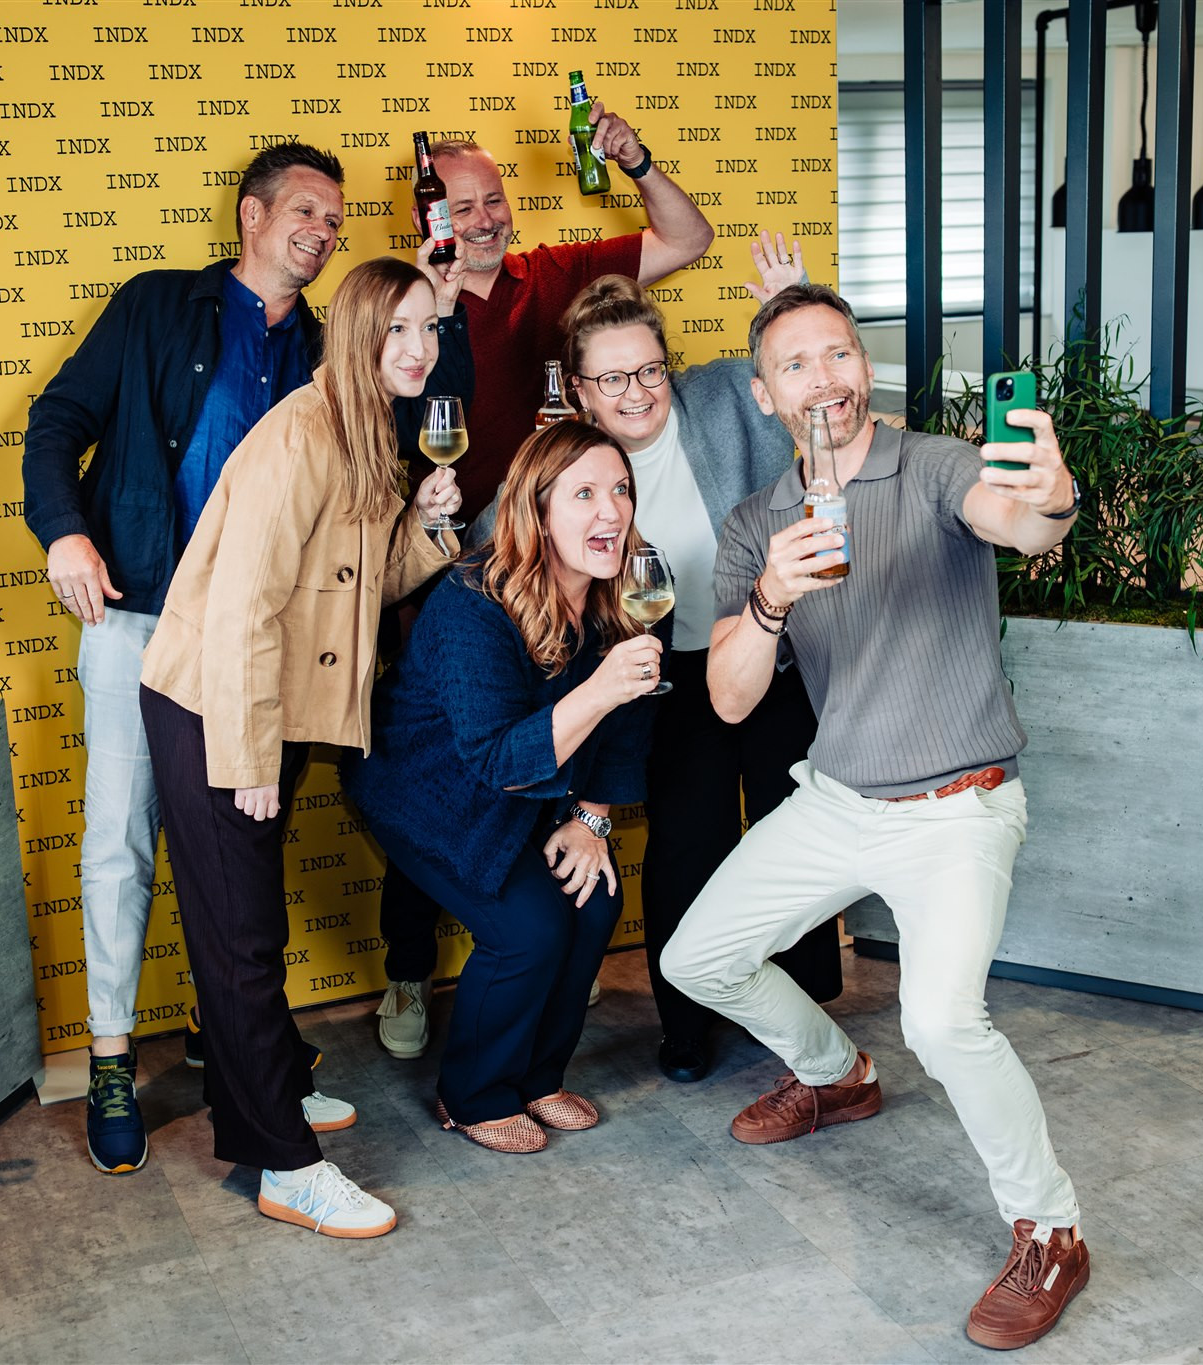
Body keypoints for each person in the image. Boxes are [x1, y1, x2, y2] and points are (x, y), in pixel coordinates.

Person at [21, 139, 471, 1176]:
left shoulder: (331, 356)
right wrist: (64, 530)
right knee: (122, 844)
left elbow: (351, 544)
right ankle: (111, 1057)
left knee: (236, 877)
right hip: (150, 617)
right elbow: (57, 419)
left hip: (267, 655)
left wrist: (432, 517)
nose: (322, 230)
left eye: (335, 220)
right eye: (304, 210)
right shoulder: (157, 307)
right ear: (251, 214)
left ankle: (234, 1058)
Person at [658, 284, 1091, 1351]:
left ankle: (1052, 1230)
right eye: (796, 364)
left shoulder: (933, 466)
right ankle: (835, 1076)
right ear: (764, 395)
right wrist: (771, 599)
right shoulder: (755, 523)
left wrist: (1052, 496)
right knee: (695, 958)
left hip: (958, 808)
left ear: (864, 366)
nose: (825, 379)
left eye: (839, 354)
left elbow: (1019, 524)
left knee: (940, 1022)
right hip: (840, 799)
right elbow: (729, 700)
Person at [372, 104, 713, 1059]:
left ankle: (548, 932)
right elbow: (374, 427)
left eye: (493, 199)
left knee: (570, 734)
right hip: (456, 577)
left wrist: (636, 160)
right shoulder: (410, 309)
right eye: (460, 205)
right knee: (445, 766)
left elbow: (689, 238)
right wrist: (435, 311)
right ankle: (410, 971)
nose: (482, 219)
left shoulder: (557, 273)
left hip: (570, 571)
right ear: (429, 215)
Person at [136, 256, 462, 1238]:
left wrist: (426, 530)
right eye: (397, 329)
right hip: (216, 708)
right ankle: (284, 1164)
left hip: (263, 708)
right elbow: (242, 610)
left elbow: (360, 592)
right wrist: (247, 761)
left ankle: (261, 1089)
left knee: (247, 931)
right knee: (239, 943)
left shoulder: (367, 431)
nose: (419, 348)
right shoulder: (299, 436)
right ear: (356, 335)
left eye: (429, 327)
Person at [551, 237, 844, 1086]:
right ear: (581, 389)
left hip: (767, 650)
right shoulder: (567, 458)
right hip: (666, 684)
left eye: (649, 370)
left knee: (796, 826)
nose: (636, 392)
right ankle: (686, 1023)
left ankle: (803, 1000)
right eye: (612, 378)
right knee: (688, 845)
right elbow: (499, 531)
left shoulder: (719, 395)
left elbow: (814, 396)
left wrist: (792, 308)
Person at [343, 422, 661, 1153]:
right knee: (528, 930)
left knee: (595, 900)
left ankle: (537, 1078)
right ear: (536, 510)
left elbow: (627, 728)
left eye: (620, 490)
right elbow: (493, 758)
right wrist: (603, 688)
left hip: (532, 791)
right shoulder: (474, 600)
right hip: (428, 792)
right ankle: (474, 1094)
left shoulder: (632, 590)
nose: (611, 510)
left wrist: (590, 820)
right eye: (584, 494)